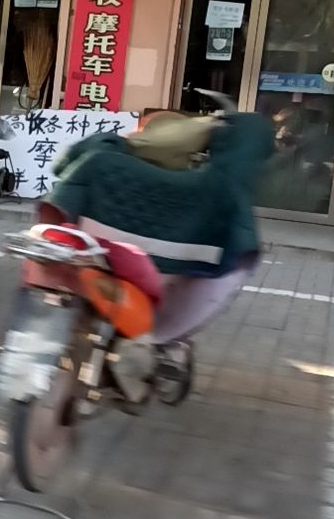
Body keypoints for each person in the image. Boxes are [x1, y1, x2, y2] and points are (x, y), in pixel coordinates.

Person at [44, 108, 276, 346]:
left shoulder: (100, 158)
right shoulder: (215, 191)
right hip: (163, 290)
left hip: (95, 262)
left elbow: (62, 167)